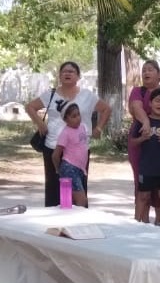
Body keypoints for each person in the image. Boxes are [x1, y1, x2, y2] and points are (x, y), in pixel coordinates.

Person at [27, 61, 110, 208]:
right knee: (54, 186)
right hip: (54, 147)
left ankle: (77, 223)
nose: (67, 74)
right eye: (64, 71)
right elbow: (30, 107)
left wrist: (99, 129)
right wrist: (40, 123)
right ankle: (55, 223)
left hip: (78, 149)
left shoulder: (87, 95)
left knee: (78, 188)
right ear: (59, 75)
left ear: (78, 76)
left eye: (71, 71)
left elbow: (106, 109)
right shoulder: (50, 95)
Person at [125, 60, 160, 219]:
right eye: (144, 70)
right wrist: (146, 122)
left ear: (158, 74)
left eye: (150, 70)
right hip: (142, 141)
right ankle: (142, 220)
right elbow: (136, 108)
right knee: (142, 183)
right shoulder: (138, 91)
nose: (146, 73)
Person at [52, 102, 91, 209]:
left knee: (68, 204)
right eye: (73, 116)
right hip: (69, 168)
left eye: (78, 114)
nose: (78, 118)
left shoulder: (82, 127)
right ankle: (77, 224)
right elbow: (55, 155)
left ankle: (68, 223)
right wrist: (58, 170)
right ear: (66, 119)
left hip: (79, 169)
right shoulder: (65, 133)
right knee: (81, 201)